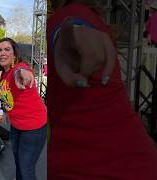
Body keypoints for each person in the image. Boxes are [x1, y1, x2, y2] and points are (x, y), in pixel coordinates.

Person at [48, 0, 157, 179]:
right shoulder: (87, 17)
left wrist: (74, 30)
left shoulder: (72, 14)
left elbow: (70, 27)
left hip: (96, 166)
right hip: (129, 161)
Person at [0, 37, 47, 180]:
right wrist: (7, 111)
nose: (2, 53)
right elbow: (7, 95)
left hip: (33, 128)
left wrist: (23, 74)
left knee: (26, 170)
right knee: (19, 162)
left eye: (7, 49)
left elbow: (21, 72)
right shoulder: (4, 74)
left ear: (14, 54)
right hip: (16, 127)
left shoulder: (19, 68)